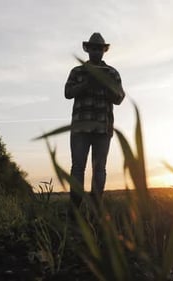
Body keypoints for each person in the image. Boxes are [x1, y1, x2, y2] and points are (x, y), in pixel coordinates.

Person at [64, 32, 125, 206]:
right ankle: (75, 208)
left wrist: (105, 85)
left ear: (104, 51)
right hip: (80, 129)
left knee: (99, 169)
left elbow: (119, 98)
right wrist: (87, 84)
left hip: (102, 129)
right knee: (78, 167)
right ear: (88, 50)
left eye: (99, 48)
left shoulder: (112, 73)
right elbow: (67, 93)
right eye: (93, 48)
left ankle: (96, 207)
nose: (96, 51)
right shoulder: (77, 71)